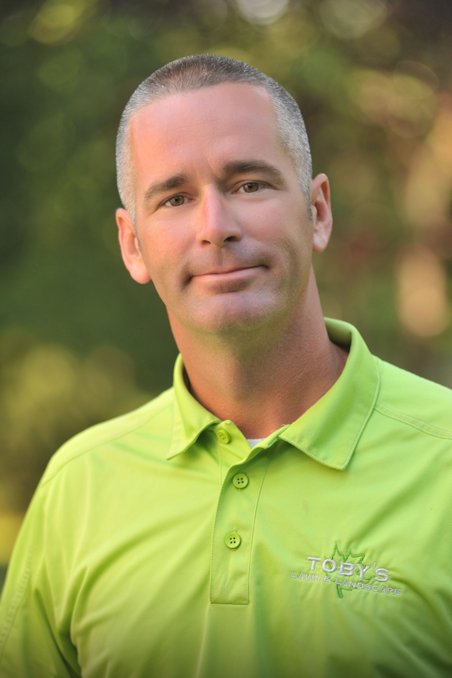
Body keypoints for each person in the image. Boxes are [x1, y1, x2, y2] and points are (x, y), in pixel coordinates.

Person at [0, 54, 451, 678]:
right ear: (133, 244)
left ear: (317, 211)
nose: (216, 227)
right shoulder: (77, 487)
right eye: (175, 198)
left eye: (249, 185)